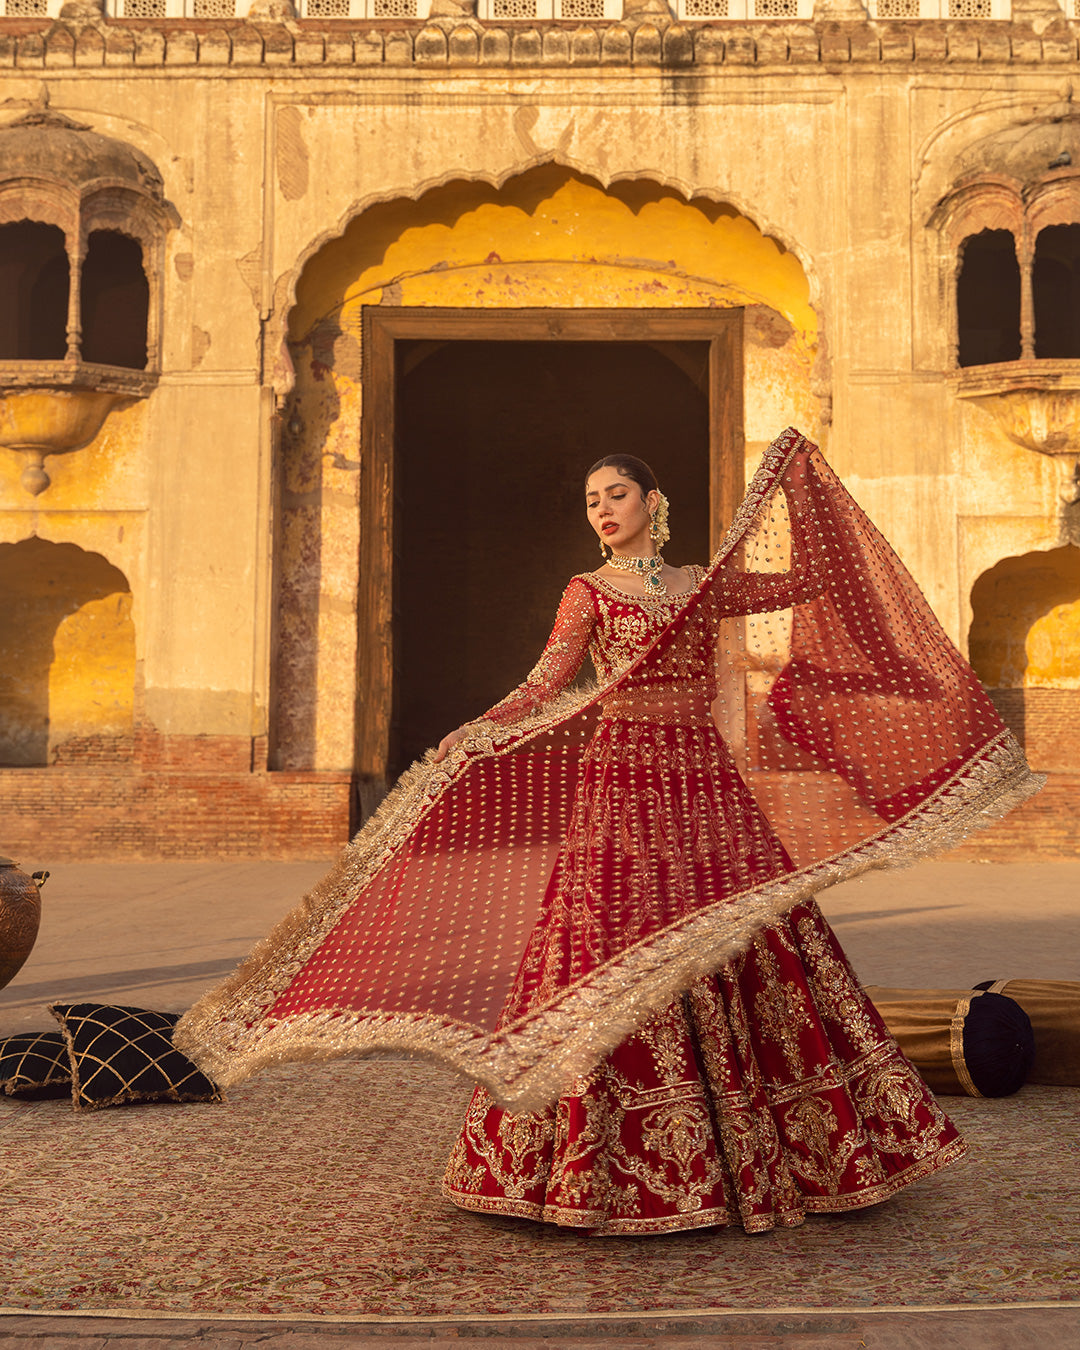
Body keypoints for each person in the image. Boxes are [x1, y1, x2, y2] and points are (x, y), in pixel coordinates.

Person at [176, 428, 1041, 1237]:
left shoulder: (705, 582)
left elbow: (808, 583)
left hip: (705, 788)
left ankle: (788, 1151)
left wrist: (799, 484)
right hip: (621, 789)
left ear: (652, 503)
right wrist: (475, 735)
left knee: (756, 945)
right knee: (601, 949)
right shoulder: (588, 592)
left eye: (617, 492)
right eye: (591, 499)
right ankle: (591, 1169)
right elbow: (544, 685)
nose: (602, 508)